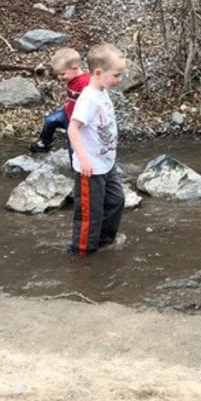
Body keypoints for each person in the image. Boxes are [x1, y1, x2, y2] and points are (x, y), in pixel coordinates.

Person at [68, 43, 126, 256]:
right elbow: (73, 129)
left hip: (106, 163)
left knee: (116, 201)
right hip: (90, 167)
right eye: (117, 75)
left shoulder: (102, 90)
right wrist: (83, 159)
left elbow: (103, 123)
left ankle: (104, 242)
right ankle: (82, 254)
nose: (119, 80)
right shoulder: (88, 98)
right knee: (89, 215)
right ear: (99, 73)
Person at [30, 47, 90, 154]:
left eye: (62, 74)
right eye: (58, 74)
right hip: (68, 113)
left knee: (74, 147)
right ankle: (45, 143)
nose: (60, 77)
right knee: (50, 120)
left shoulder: (85, 83)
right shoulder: (71, 77)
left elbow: (91, 104)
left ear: (75, 68)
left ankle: (77, 166)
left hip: (80, 122)